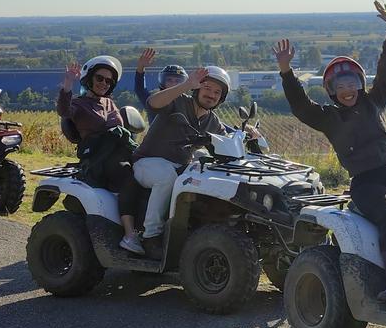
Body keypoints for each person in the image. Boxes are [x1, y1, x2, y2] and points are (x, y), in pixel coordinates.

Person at [274, 0, 386, 302]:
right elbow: (300, 106)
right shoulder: (328, 118)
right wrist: (286, 72)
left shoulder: (375, 102)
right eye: (339, 84)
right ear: (332, 91)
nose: (347, 89)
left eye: (351, 82)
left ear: (360, 84)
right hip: (366, 183)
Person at [130, 64, 262, 257]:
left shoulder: (212, 120)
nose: (211, 94)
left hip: (180, 166)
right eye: (207, 88)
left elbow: (226, 141)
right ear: (197, 88)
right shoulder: (178, 101)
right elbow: (153, 103)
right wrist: (185, 85)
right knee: (167, 177)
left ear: (221, 98)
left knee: (209, 171)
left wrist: (245, 133)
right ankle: (151, 236)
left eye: (217, 92)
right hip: (148, 162)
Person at [58, 54, 145, 253]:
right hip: (98, 159)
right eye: (100, 78)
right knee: (130, 178)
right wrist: (67, 84)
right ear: (89, 79)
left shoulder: (109, 103)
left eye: (108, 81)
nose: (104, 83)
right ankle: (130, 235)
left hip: (120, 153)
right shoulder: (79, 105)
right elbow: (64, 110)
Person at [133, 47, 188, 124]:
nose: (173, 84)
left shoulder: (189, 103)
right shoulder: (154, 101)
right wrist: (140, 67)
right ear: (163, 81)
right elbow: (140, 89)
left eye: (177, 81)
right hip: (157, 136)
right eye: (169, 80)